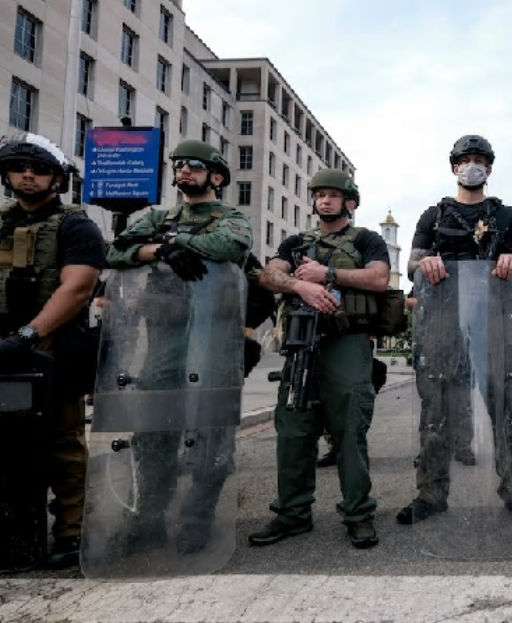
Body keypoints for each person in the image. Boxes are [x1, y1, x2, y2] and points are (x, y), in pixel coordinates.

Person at [105, 139, 254, 555]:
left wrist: (170, 245)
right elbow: (115, 251)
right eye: (178, 165)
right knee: (153, 427)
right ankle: (148, 519)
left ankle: (196, 519)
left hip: (214, 333)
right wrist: (159, 249)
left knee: (209, 429)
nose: (184, 171)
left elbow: (229, 246)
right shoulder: (157, 216)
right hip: (165, 332)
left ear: (216, 176)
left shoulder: (231, 217)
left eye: (194, 165)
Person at [400, 134, 512, 526]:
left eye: (480, 159)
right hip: (443, 321)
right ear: (454, 167)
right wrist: (425, 265)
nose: (472, 165)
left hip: (492, 319)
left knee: (504, 407)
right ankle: (431, 493)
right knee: (437, 410)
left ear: (489, 168)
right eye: (465, 159)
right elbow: (412, 264)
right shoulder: (435, 216)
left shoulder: (506, 216)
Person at [249, 169, 390, 550]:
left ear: (350, 202)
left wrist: (327, 273)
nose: (324, 201)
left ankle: (358, 514)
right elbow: (267, 276)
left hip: (346, 341)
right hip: (300, 343)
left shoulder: (367, 239)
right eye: (319, 195)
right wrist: (301, 285)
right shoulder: (296, 242)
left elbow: (379, 279)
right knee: (294, 430)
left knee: (348, 431)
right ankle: (292, 513)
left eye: (333, 195)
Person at [0, 135, 103, 569]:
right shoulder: (2, 224)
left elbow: (77, 287)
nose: (28, 175)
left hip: (54, 349)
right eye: (20, 167)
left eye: (38, 169)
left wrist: (27, 335)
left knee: (63, 444)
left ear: (57, 178)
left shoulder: (74, 225)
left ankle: (71, 533)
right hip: (5, 350)